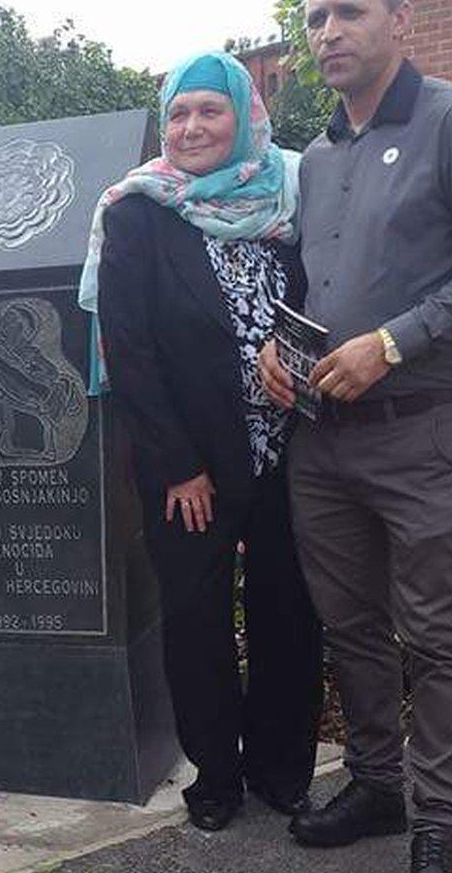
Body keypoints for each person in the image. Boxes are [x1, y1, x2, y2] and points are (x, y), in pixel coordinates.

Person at [80, 51, 323, 832]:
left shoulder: (289, 199)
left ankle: (283, 769)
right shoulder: (136, 212)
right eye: (178, 113)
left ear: (244, 117)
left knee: (289, 609)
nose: (191, 128)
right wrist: (179, 466)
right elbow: (130, 350)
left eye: (209, 111)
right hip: (189, 466)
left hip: (293, 450)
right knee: (197, 621)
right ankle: (215, 776)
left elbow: (326, 299)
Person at [259, 0, 452, 873]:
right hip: (321, 438)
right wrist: (277, 347)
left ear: (399, 24)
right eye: (314, 20)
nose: (326, 33)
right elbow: (309, 282)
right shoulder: (319, 156)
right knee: (352, 626)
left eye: (346, 14)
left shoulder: (449, 123)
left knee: (437, 634)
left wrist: (392, 341)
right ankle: (379, 785)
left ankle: (441, 823)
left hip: (421, 431)